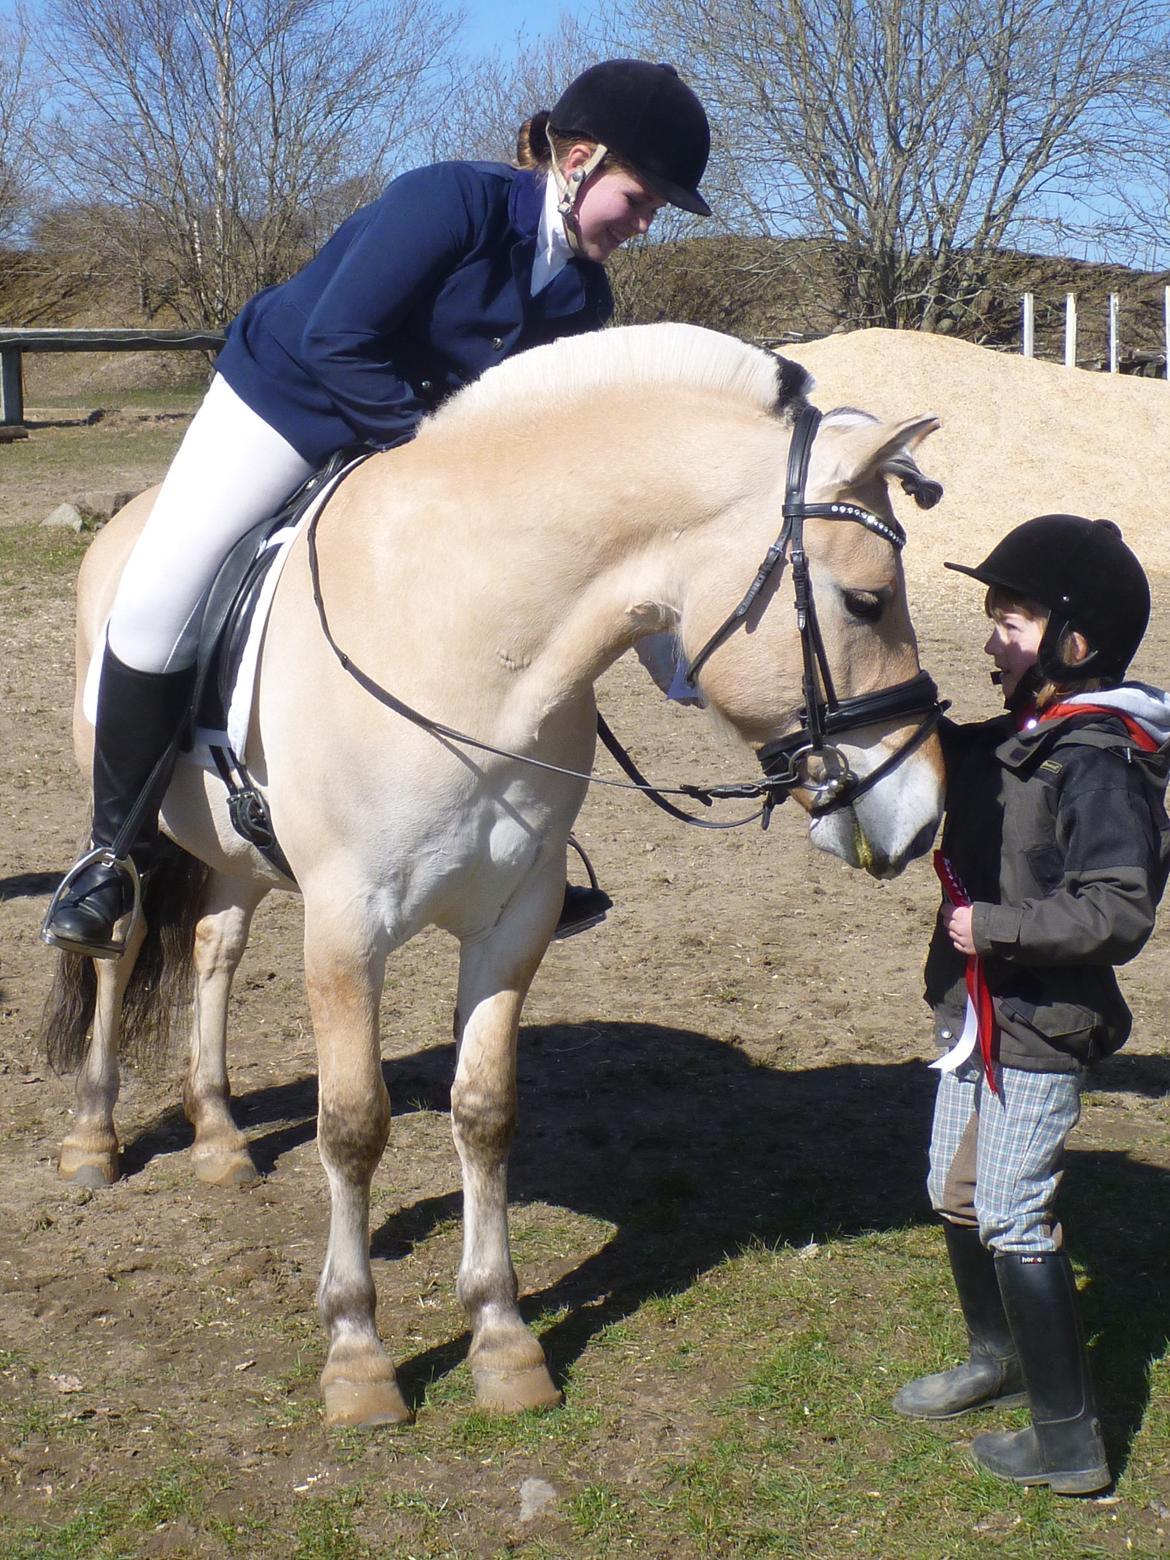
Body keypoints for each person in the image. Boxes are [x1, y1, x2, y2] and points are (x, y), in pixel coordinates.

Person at [42, 59, 712, 959]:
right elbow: (337, 340)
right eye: (637, 199)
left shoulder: (582, 296)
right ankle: (110, 856)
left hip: (409, 452)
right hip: (285, 402)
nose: (641, 224)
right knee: (162, 601)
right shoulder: (451, 203)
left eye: (654, 211)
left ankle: (514, 850)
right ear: (581, 159)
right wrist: (440, 460)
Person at [892, 514, 1170, 1495]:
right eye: (991, 616)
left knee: (1011, 1218)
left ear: (1074, 644)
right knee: (952, 1193)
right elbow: (927, 764)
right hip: (976, 1018)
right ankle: (994, 1357)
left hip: (1040, 1027)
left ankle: (1071, 1444)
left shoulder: (1100, 761)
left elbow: (1119, 910)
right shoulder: (1017, 738)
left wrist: (997, 930)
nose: (989, 638)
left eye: (1009, 619)